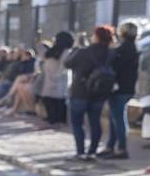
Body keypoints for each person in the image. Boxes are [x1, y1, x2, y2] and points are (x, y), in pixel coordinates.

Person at [62, 25, 115, 161]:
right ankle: (92, 151)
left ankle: (80, 152)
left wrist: (75, 48)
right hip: (100, 93)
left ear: (96, 36)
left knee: (77, 123)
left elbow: (67, 63)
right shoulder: (111, 53)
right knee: (95, 122)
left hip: (80, 91)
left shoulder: (83, 52)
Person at [106, 22, 141, 160]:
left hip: (119, 88)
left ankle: (121, 148)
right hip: (128, 87)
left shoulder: (121, 50)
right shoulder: (135, 48)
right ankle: (111, 145)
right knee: (114, 117)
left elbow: (113, 68)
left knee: (119, 119)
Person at [37, 31, 72, 126]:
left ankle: (59, 120)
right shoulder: (53, 50)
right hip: (49, 78)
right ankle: (51, 118)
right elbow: (42, 53)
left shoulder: (66, 52)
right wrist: (38, 39)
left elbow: (63, 66)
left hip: (60, 79)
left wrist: (57, 76)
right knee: (48, 99)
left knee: (59, 100)